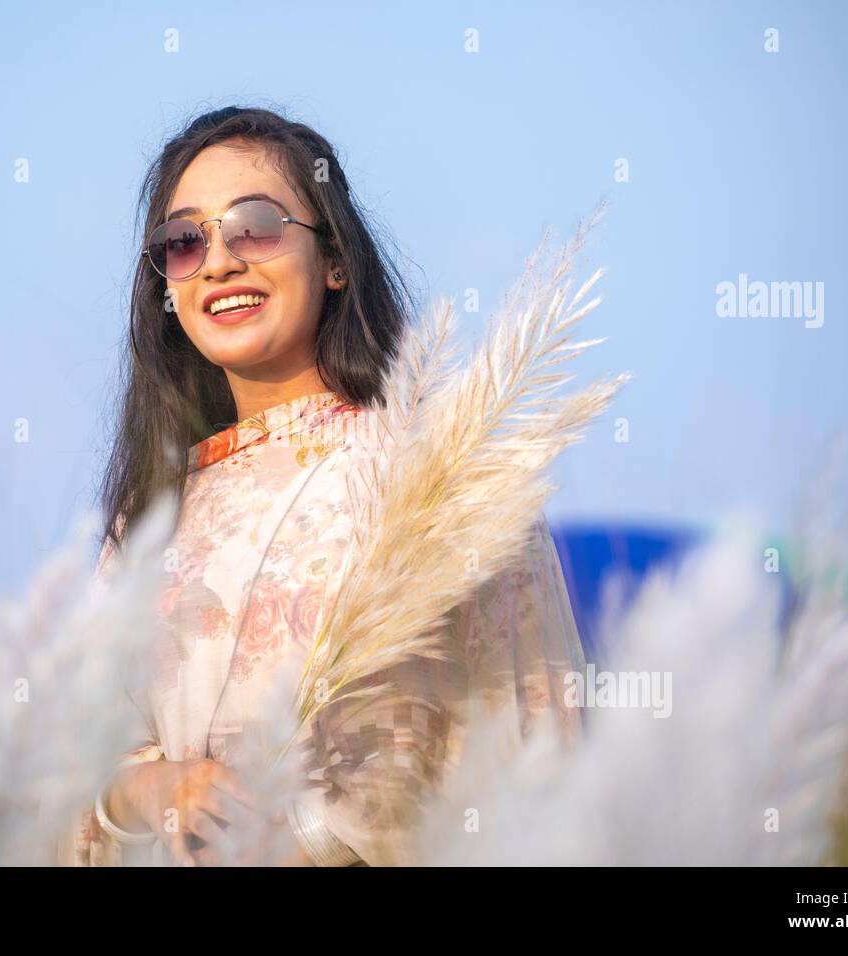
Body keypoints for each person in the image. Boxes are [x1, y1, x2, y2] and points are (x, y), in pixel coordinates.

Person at [60, 106, 585, 867]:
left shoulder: (440, 471)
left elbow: (535, 745)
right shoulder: (151, 517)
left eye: (256, 228)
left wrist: (302, 840)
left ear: (334, 258)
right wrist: (157, 790)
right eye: (184, 242)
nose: (219, 261)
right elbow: (83, 770)